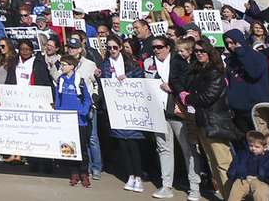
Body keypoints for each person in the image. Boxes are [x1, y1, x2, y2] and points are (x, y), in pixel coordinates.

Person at [146, 35, 202, 200]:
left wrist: (174, 88)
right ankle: (166, 185)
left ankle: (194, 187)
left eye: (159, 47)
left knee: (188, 149)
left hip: (178, 110)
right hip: (158, 111)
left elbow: (189, 82)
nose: (156, 50)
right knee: (163, 148)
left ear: (168, 47)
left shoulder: (179, 60)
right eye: (154, 47)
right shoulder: (149, 63)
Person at [187, 38, 239, 193]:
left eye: (202, 51)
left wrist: (188, 98)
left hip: (216, 122)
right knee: (211, 162)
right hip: (203, 121)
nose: (199, 54)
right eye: (196, 51)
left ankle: (233, 196)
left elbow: (208, 97)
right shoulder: (198, 70)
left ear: (210, 52)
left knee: (223, 163)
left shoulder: (215, 71)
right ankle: (224, 194)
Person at [101, 34, 149, 192]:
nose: (112, 50)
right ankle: (130, 175)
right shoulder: (105, 64)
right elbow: (104, 84)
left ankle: (138, 176)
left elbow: (140, 79)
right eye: (109, 48)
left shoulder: (131, 63)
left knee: (133, 143)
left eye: (115, 47)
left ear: (120, 47)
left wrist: (127, 78)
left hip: (132, 107)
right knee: (122, 143)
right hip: (116, 109)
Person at [55, 53, 94, 187]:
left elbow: (87, 99)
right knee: (68, 147)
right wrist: (59, 112)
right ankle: (74, 173)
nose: (62, 66)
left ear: (72, 66)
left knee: (82, 148)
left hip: (79, 120)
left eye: (64, 64)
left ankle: (84, 173)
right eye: (61, 64)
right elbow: (58, 99)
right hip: (66, 120)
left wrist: (83, 111)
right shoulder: (60, 80)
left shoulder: (80, 80)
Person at [224, 30, 269, 134]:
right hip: (238, 109)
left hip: (255, 108)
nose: (230, 46)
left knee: (260, 139)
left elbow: (254, 73)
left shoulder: (257, 57)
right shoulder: (231, 60)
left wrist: (241, 52)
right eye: (227, 43)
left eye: (232, 42)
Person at [227, 131, 269, 201]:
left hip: (262, 181)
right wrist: (233, 174)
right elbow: (236, 165)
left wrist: (268, 178)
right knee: (236, 189)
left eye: (257, 147)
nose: (253, 148)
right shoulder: (244, 154)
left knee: (261, 192)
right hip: (244, 179)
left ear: (264, 147)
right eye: (251, 146)